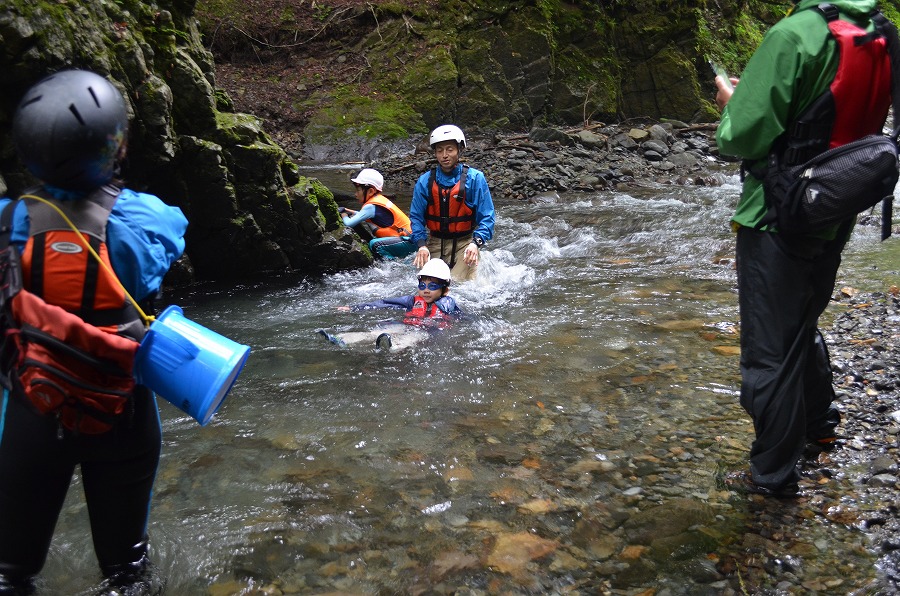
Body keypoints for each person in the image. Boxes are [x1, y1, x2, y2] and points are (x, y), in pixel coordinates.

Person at [0, 70, 188, 592]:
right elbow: (175, 230)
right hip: (121, 411)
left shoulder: (7, 222)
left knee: (9, 573)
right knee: (126, 572)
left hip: (33, 409)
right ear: (117, 147)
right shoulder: (144, 221)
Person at [714, 0, 893, 497]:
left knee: (768, 354)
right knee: (801, 322)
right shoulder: (879, 31)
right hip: (835, 205)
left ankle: (771, 477)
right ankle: (820, 423)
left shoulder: (795, 35)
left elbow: (743, 136)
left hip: (777, 214)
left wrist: (732, 102)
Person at [409, 125, 495, 282]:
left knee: (458, 288)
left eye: (450, 149)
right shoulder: (424, 182)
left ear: (459, 150)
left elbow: (487, 218)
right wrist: (421, 245)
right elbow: (416, 218)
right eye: (440, 150)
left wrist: (476, 243)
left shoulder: (476, 179)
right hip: (434, 243)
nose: (444, 155)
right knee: (430, 289)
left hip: (466, 244)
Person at [320, 258, 462, 350]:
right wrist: (353, 308)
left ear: (445, 290)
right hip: (408, 325)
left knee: (411, 338)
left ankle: (391, 347)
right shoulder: (411, 301)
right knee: (373, 333)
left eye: (432, 287)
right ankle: (342, 338)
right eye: (422, 285)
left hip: (426, 332)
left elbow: (462, 317)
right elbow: (383, 303)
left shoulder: (448, 305)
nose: (425, 290)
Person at [341, 168, 416, 260]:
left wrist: (343, 214)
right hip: (412, 240)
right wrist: (348, 210)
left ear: (371, 191)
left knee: (374, 244)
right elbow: (362, 216)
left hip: (408, 241)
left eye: (358, 190)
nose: (355, 194)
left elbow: (348, 224)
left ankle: (391, 264)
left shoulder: (370, 207)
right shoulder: (377, 200)